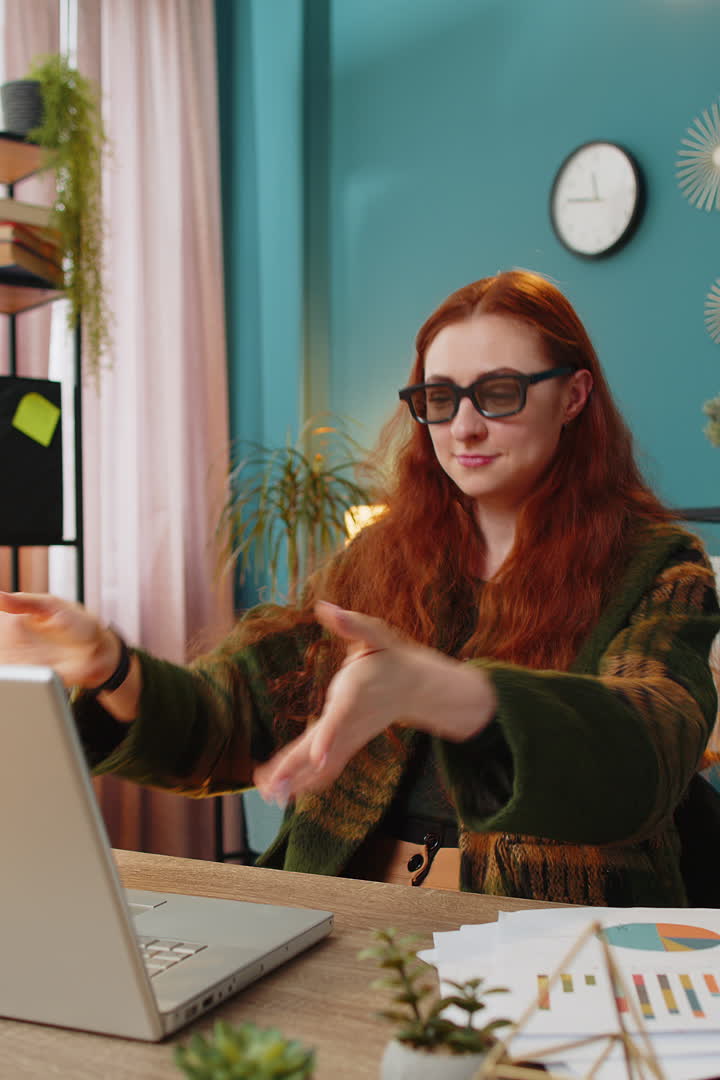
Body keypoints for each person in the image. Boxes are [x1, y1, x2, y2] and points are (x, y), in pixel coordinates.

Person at [0, 269, 717, 907]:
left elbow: (648, 752)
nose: (463, 426)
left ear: (573, 395)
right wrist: (106, 664)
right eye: (440, 398)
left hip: (546, 949)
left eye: (498, 393)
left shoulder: (660, 566)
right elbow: (226, 719)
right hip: (341, 923)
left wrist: (437, 690)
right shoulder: (385, 554)